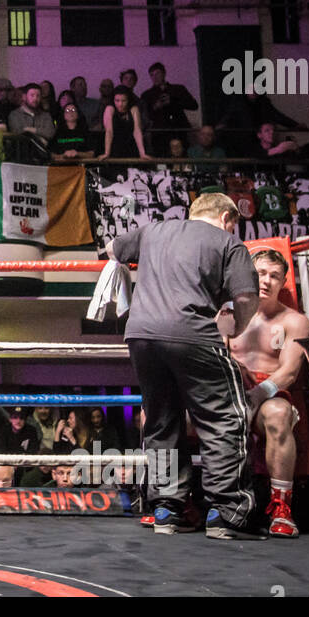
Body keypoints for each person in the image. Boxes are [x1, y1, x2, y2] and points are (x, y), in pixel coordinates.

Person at [108, 191, 262, 539]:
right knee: (225, 417)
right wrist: (237, 326)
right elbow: (247, 297)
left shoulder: (153, 231)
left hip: (141, 335)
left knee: (161, 420)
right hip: (193, 333)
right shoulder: (228, 243)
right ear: (228, 219)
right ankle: (228, 513)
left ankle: (166, 509)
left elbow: (112, 249)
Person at [226, 248, 309, 538]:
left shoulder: (294, 321)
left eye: (274, 276)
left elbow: (289, 372)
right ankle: (175, 499)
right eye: (260, 273)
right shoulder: (227, 314)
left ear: (283, 282)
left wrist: (256, 395)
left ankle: (281, 508)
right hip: (230, 390)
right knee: (176, 414)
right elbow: (213, 355)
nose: (266, 280)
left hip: (270, 393)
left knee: (280, 414)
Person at [98, 86, 148, 160]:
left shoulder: (134, 109)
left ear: (128, 100)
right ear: (113, 100)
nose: (120, 104)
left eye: (124, 100)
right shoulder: (110, 109)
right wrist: (107, 153)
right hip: (114, 146)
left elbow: (137, 131)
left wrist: (142, 153)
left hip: (131, 146)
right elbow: (109, 131)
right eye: (117, 100)